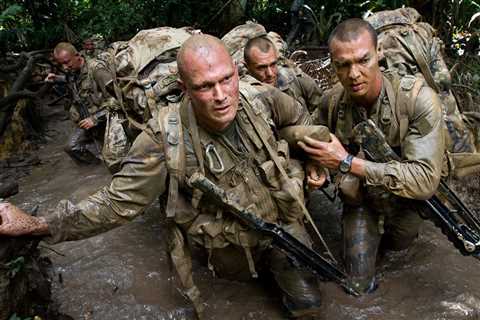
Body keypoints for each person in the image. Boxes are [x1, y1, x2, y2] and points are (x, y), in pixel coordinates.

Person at [0, 34, 322, 319]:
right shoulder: (163, 140)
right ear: (184, 88)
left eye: (226, 79)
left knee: (309, 303)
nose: (222, 95)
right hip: (227, 250)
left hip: (282, 229)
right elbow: (116, 203)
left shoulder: (259, 98)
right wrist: (40, 225)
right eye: (205, 86)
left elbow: (301, 118)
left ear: (237, 72)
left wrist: (310, 159)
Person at [298, 18, 445, 293]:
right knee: (358, 286)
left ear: (380, 55)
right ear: (333, 65)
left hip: (407, 202)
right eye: (343, 64)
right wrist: (314, 166)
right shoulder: (332, 103)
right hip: (360, 203)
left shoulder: (418, 100)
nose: (354, 74)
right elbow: (313, 141)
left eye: (363, 60)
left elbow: (425, 181)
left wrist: (346, 162)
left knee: (400, 250)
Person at [46, 42, 113, 165]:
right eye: (61, 64)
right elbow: (72, 80)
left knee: (113, 158)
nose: (65, 67)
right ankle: (95, 166)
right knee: (72, 147)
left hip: (106, 118)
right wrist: (56, 78)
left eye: (67, 62)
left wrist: (95, 119)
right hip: (85, 118)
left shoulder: (97, 70)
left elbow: (117, 99)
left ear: (78, 56)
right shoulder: (73, 70)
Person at [244, 36, 323, 113]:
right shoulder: (244, 96)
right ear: (247, 67)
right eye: (261, 67)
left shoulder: (293, 78)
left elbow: (321, 108)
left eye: (273, 64)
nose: (270, 73)